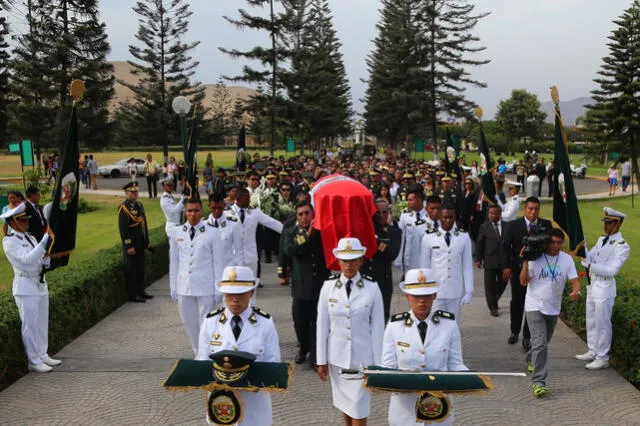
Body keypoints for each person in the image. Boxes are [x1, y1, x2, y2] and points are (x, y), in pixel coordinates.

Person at [381, 268, 468, 426]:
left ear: (434, 296)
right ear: (407, 296)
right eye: (416, 296)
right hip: (405, 412)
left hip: (438, 410)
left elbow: (455, 363)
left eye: (426, 296)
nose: (422, 301)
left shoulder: (449, 325)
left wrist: (469, 379)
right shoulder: (394, 326)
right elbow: (387, 367)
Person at [196, 266, 280, 426]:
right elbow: (203, 361)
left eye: (240, 294)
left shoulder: (265, 323)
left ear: (251, 293)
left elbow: (273, 364)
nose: (235, 299)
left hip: (254, 405)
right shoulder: (210, 322)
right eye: (230, 294)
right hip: (221, 405)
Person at [316, 238, 385, 426]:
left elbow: (378, 329)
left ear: (361, 261)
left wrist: (378, 365)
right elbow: (322, 325)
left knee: (358, 409)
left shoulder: (372, 288)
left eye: (354, 260)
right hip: (337, 359)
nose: (349, 265)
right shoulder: (328, 287)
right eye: (345, 260)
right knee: (345, 406)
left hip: (362, 360)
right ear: (338, 261)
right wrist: (321, 360)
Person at [1, 203, 62, 373]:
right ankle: (33, 360)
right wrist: (44, 242)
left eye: (27, 219)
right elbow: (26, 260)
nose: (27, 222)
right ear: (14, 223)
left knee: (42, 321)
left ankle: (42, 354)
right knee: (30, 325)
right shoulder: (9, 242)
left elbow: (38, 260)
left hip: (40, 283)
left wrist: (46, 259)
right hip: (25, 286)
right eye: (23, 220)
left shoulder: (30, 237)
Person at [520, 228, 580, 397]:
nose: (555, 245)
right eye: (552, 242)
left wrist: (576, 291)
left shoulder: (567, 259)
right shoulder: (535, 257)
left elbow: (575, 280)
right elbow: (524, 282)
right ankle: (538, 382)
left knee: (543, 342)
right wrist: (525, 262)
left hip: (553, 308)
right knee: (541, 344)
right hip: (534, 306)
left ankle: (530, 357)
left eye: (559, 242)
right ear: (546, 243)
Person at [577, 207, 630, 370]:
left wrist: (590, 265)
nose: (605, 226)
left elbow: (611, 270)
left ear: (617, 224)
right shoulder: (602, 240)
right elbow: (590, 256)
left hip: (605, 287)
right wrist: (582, 245)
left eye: (609, 223)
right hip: (593, 285)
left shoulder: (622, 246)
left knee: (603, 323)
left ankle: (603, 357)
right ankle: (593, 350)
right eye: (605, 222)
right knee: (591, 320)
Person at [169, 198, 223, 356]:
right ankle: (197, 351)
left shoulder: (212, 233)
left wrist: (218, 287)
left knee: (207, 322)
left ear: (202, 212)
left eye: (196, 210)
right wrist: (173, 286)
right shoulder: (177, 232)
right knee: (189, 322)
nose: (192, 214)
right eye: (189, 210)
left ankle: (206, 352)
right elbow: (174, 261)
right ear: (185, 212)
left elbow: (218, 262)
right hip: (184, 286)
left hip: (205, 285)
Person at [500, 196, 552, 352]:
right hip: (518, 269)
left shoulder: (545, 225)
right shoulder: (513, 225)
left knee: (533, 304)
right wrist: (506, 267)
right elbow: (504, 246)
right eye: (530, 208)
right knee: (518, 301)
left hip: (537, 273)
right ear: (525, 209)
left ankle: (527, 336)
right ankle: (514, 331)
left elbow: (550, 247)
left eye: (536, 209)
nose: (533, 212)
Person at [282, 200, 330, 366]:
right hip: (300, 285)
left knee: (318, 322)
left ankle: (316, 357)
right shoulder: (291, 232)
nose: (304, 217)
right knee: (300, 321)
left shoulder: (322, 231)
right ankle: (303, 348)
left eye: (307, 213)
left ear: (313, 214)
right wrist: (307, 236)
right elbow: (289, 250)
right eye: (300, 214)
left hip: (319, 283)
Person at [419, 204, 473, 323]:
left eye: (451, 217)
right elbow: (424, 266)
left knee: (453, 325)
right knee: (435, 325)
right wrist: (424, 290)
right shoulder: (429, 236)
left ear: (455, 218)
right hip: (436, 291)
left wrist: (469, 290)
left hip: (455, 290)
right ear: (439, 218)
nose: (448, 220)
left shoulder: (463, 237)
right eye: (444, 217)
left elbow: (467, 266)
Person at [226, 187, 283, 281]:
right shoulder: (227, 213)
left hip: (250, 257)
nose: (249, 201)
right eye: (246, 199)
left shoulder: (255, 212)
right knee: (234, 288)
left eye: (249, 198)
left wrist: (289, 232)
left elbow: (272, 223)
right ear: (238, 199)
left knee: (251, 288)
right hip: (233, 257)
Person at [361, 198, 402, 322]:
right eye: (378, 212)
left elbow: (392, 253)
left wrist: (376, 241)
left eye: (384, 212)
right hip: (366, 278)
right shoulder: (366, 229)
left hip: (383, 280)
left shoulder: (394, 232)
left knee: (382, 317)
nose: (381, 215)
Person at [118, 182, 152, 303]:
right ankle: (133, 294)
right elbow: (123, 229)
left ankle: (141, 290)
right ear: (126, 193)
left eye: (136, 191)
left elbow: (144, 224)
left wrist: (146, 241)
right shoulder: (124, 207)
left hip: (140, 241)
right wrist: (129, 245)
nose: (135, 193)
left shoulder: (139, 205)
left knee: (140, 268)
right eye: (132, 192)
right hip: (131, 242)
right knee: (132, 269)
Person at [475, 205, 507, 317]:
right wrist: (478, 259)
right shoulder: (484, 227)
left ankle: (494, 298)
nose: (492, 215)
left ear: (500, 214)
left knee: (503, 282)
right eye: (490, 213)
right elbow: (479, 244)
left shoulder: (507, 226)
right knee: (489, 285)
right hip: (489, 259)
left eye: (494, 213)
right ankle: (493, 307)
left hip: (503, 261)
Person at [396, 188, 429, 275]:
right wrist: (400, 259)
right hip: (410, 259)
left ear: (420, 200)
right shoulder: (405, 215)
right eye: (408, 200)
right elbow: (401, 238)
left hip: (426, 258)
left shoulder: (429, 215)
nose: (408, 202)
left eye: (411, 200)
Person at [206, 192, 244, 270]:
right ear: (209, 207)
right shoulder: (203, 225)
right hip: (209, 270)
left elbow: (239, 251)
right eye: (214, 208)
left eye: (219, 208)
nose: (217, 211)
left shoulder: (233, 225)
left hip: (228, 270)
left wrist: (239, 271)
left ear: (224, 205)